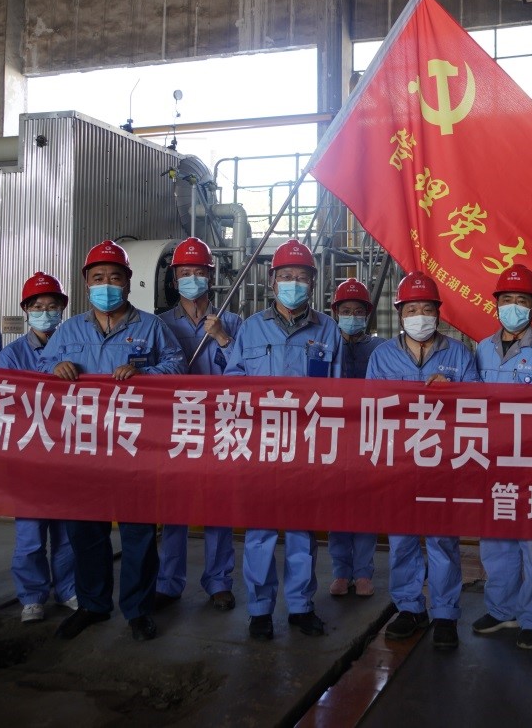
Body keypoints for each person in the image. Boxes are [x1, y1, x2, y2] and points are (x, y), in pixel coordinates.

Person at [41, 240, 186, 642]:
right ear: (87, 282)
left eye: (115, 277)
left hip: (134, 446)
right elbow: (41, 366)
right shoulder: (69, 330)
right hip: (83, 446)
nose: (107, 284)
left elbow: (176, 366)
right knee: (86, 532)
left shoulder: (151, 327)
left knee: (139, 533)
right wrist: (56, 365)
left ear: (128, 282)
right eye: (99, 277)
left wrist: (146, 375)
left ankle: (138, 610)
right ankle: (92, 605)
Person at [224, 239, 342, 640]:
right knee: (259, 532)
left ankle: (300, 607)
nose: (294, 283)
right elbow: (233, 381)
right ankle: (259, 610)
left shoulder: (328, 329)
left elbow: (339, 392)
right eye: (286, 276)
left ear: (313, 283)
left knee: (301, 531)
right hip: (260, 444)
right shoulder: (251, 327)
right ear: (273, 282)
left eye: (302, 277)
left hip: (306, 445)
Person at [366, 271, 479, 651]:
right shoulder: (382, 356)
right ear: (400, 313)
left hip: (443, 462)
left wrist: (456, 392)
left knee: (442, 539)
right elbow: (369, 410)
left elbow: (480, 408)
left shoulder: (459, 354)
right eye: (412, 309)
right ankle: (410, 607)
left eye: (426, 309)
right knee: (401, 539)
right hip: (399, 462)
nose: (420, 316)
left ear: (438, 313)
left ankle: (445, 612)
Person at [471, 266, 532, 650]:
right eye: (507, 300)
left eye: (522, 300)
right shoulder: (482, 348)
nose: (514, 306)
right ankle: (501, 610)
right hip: (491, 461)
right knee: (494, 539)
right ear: (496, 305)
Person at [155, 237, 241, 612]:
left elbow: (248, 373)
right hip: (176, 426)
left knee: (218, 507)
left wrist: (222, 338)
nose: (192, 278)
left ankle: (219, 581)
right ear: (175, 280)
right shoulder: (158, 324)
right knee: (173, 508)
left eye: (199, 272)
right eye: (185, 272)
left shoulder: (233, 323)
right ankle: (168, 582)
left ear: (211, 276)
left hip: (220, 426)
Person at [0, 272, 77, 624]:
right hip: (29, 454)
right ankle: (32, 596)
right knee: (30, 534)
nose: (46, 312)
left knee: (66, 531)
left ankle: (67, 589)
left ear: (62, 309)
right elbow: (8, 402)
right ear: (26, 311)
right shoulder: (11, 355)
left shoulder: (76, 345)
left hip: (68, 452)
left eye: (52, 306)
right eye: (38, 306)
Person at [327, 278, 384, 598]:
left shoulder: (381, 349)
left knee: (365, 507)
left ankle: (363, 572)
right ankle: (340, 571)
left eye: (358, 311)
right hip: (332, 438)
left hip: (367, 437)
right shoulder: (325, 345)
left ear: (368, 314)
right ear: (335, 312)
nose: (352, 316)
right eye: (346, 310)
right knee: (337, 507)